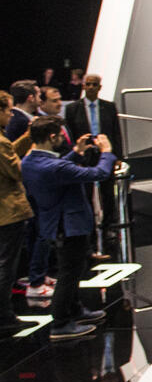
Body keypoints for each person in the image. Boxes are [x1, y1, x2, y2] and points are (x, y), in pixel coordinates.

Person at [21, 117, 115, 340]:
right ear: (52, 137)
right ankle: (61, 323)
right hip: (70, 224)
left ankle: (75, 310)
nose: (62, 139)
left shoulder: (29, 162)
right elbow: (98, 174)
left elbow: (60, 170)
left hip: (54, 222)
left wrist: (76, 152)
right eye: (60, 136)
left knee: (71, 270)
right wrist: (107, 152)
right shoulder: (56, 167)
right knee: (69, 274)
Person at [64, 73, 125, 253]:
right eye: (87, 84)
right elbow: (71, 135)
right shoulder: (73, 109)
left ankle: (109, 226)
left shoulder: (109, 107)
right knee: (86, 192)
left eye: (94, 84)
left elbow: (116, 133)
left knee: (107, 191)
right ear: (83, 87)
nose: (90, 87)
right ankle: (89, 227)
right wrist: (75, 156)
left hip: (105, 153)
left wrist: (118, 156)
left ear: (99, 87)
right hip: (85, 155)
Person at [0, 91, 34, 334]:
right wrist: (36, 152)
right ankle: (5, 317)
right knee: (6, 267)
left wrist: (27, 138)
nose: (11, 115)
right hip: (8, 212)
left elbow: (8, 152)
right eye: (8, 111)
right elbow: (18, 171)